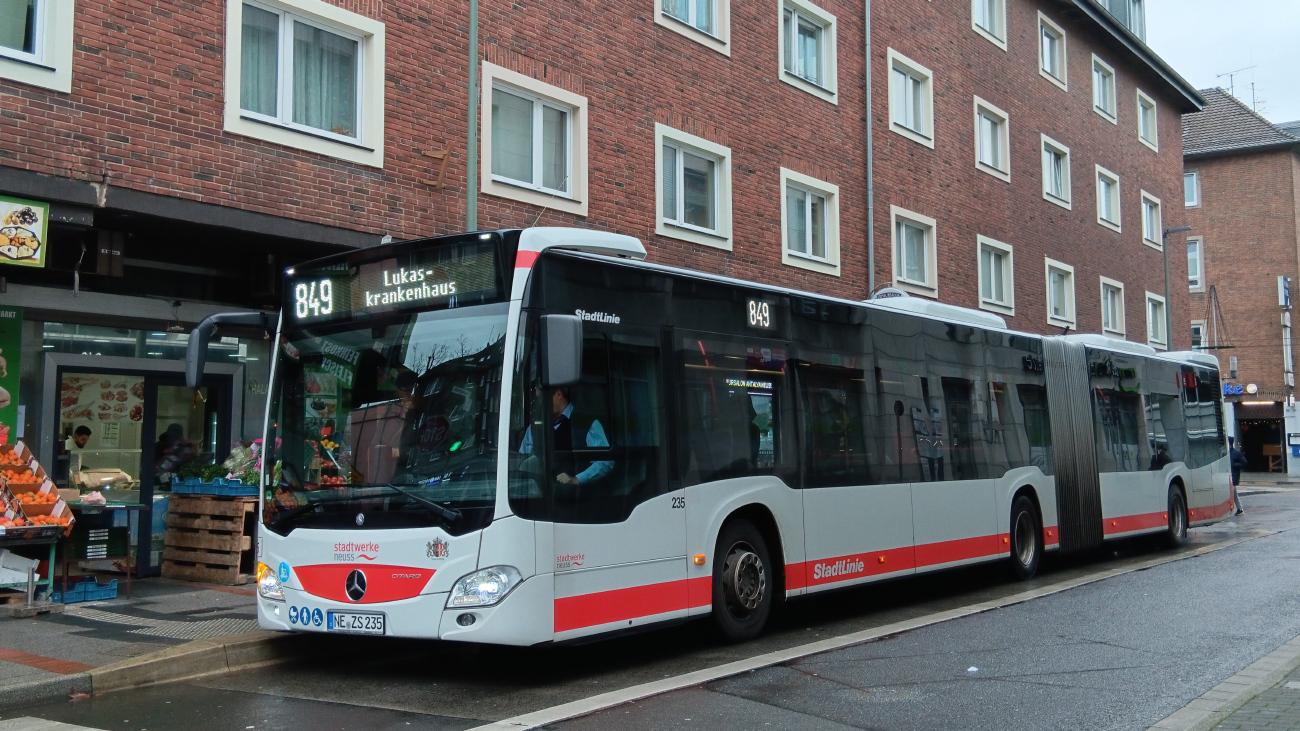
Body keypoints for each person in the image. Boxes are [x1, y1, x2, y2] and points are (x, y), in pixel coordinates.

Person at [520, 388, 613, 486]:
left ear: (558, 394)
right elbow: (523, 460)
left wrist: (577, 479)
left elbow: (606, 460)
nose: (540, 404)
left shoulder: (587, 422)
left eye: (541, 398)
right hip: (542, 495)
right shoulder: (534, 427)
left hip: (579, 497)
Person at [1230, 437, 1248, 515]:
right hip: (1227, 475)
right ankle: (1239, 509)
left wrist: (1234, 465)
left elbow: (1245, 463)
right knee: (1233, 493)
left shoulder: (1236, 453)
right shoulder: (1225, 453)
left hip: (1234, 476)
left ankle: (1240, 509)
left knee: (1233, 493)